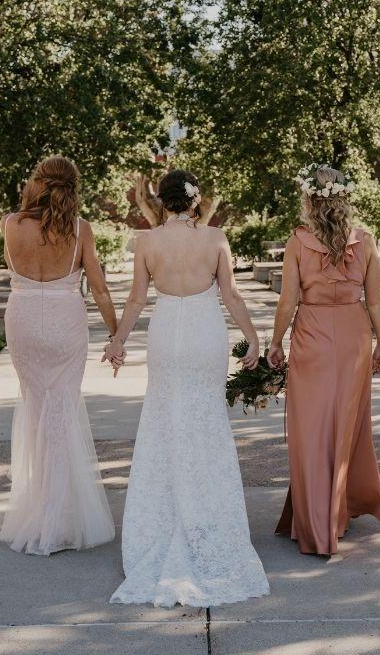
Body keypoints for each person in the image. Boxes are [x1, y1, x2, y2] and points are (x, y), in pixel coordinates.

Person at [102, 169, 270, 607]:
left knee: (164, 423)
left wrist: (117, 341)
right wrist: (254, 338)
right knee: (206, 423)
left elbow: (136, 299)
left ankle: (163, 522)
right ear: (195, 201)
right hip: (204, 334)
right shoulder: (215, 238)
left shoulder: (147, 241)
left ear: (162, 202)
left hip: (165, 336)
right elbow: (231, 295)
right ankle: (206, 520)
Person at [0, 156, 118, 556]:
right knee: (63, 412)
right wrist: (116, 333)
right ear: (73, 186)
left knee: (36, 408)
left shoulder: (10, 224)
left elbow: (15, 270)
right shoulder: (81, 229)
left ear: (36, 182)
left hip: (23, 319)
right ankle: (60, 517)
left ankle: (39, 510)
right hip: (65, 321)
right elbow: (99, 289)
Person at [268, 165, 380, 556]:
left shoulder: (298, 242)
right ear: (345, 197)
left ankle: (317, 517)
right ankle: (336, 512)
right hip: (354, 337)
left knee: (311, 427)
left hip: (313, 336)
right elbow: (374, 301)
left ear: (309, 198)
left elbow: (288, 301)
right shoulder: (365, 241)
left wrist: (275, 343)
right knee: (347, 424)